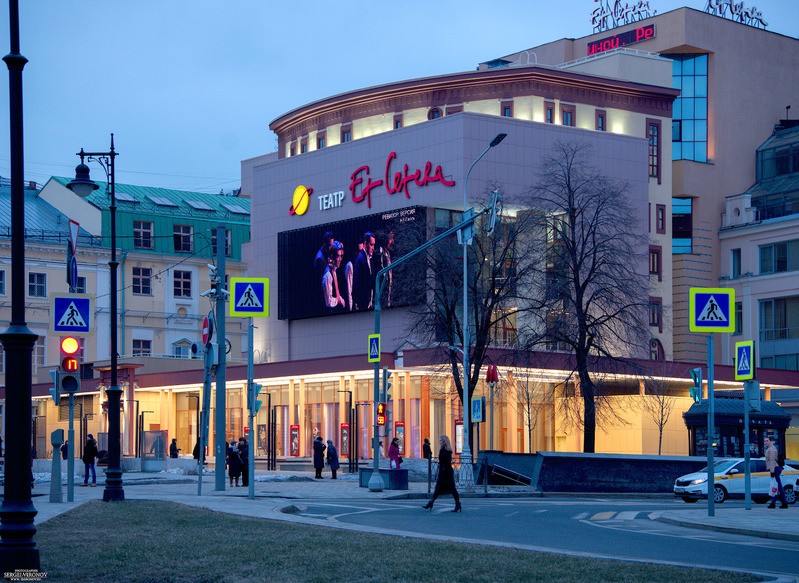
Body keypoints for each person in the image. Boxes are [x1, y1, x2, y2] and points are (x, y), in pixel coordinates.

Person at [422, 435, 461, 512]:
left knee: (451, 488)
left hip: (445, 471)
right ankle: (431, 502)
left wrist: (442, 468)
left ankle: (457, 504)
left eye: (440, 440)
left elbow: (444, 461)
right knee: (439, 487)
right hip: (446, 470)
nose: (439, 442)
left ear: (444, 441)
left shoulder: (444, 450)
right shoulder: (447, 449)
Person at [353, 231, 376, 311]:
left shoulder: (369, 258)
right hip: (363, 303)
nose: (373, 248)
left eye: (374, 245)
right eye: (371, 245)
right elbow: (358, 283)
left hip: (369, 301)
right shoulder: (360, 260)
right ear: (365, 244)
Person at [765, 436, 789, 509]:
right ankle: (776, 503)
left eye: (767, 441)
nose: (765, 442)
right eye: (765, 441)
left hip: (775, 468)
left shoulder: (772, 449)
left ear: (771, 441)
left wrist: (772, 471)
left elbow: (772, 461)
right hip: (775, 468)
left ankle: (783, 502)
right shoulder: (771, 449)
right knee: (776, 486)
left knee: (778, 486)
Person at [322, 241, 346, 311]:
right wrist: (338, 300)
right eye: (338, 256)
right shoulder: (328, 276)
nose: (340, 259)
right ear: (332, 256)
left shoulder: (333, 270)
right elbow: (329, 303)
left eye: (341, 256)